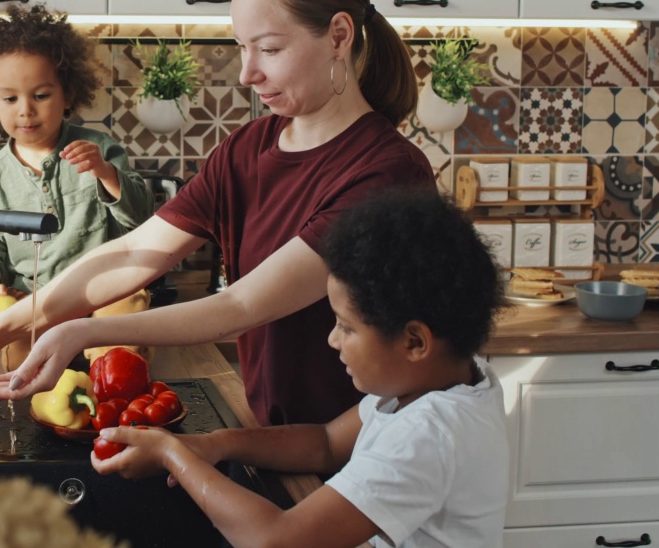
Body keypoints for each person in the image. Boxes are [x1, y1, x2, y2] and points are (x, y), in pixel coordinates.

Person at [0, 0, 434, 426]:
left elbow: (242, 305)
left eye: (268, 49)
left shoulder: (387, 174)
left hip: (373, 454)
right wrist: (2, 325)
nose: (247, 73)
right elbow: (134, 253)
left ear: (338, 35)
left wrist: (81, 333)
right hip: (284, 438)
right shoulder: (248, 149)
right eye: (242, 47)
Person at [92, 189, 508, 548]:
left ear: (414, 342)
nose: (333, 339)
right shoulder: (440, 382)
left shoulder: (428, 434)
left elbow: (275, 539)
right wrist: (216, 443)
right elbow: (324, 443)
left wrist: (173, 455)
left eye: (347, 327)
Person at [0, 3, 154, 369]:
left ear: (67, 93)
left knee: (123, 325)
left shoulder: (101, 149)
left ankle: (113, 380)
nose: (25, 110)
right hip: (36, 302)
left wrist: (105, 172)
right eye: (10, 98)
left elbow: (141, 220)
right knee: (21, 366)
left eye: (41, 95)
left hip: (104, 289)